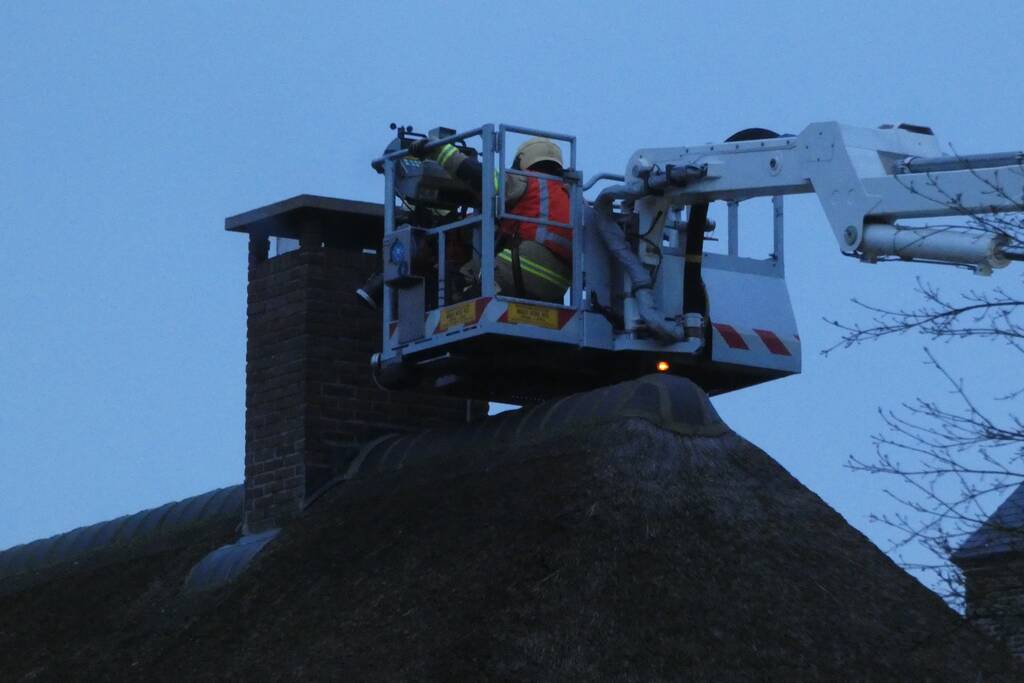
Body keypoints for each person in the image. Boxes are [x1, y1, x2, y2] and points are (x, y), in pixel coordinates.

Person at [413, 136, 573, 303]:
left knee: (458, 281)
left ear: (522, 160)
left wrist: (438, 150)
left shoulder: (526, 180)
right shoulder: (571, 196)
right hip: (558, 285)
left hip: (523, 268)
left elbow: (483, 178)